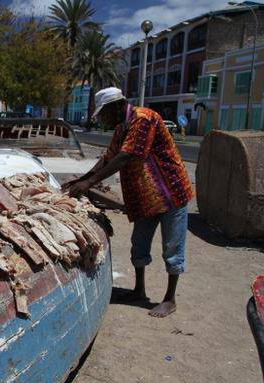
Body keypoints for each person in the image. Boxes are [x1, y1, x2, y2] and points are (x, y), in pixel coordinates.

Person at [62, 87, 194, 318]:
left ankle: (170, 299)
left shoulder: (144, 118)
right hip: (146, 197)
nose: (102, 119)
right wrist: (81, 180)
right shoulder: (121, 127)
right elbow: (108, 158)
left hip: (169, 192)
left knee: (172, 246)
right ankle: (139, 290)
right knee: (139, 244)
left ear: (114, 107)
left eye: (103, 114)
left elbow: (128, 155)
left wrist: (90, 183)